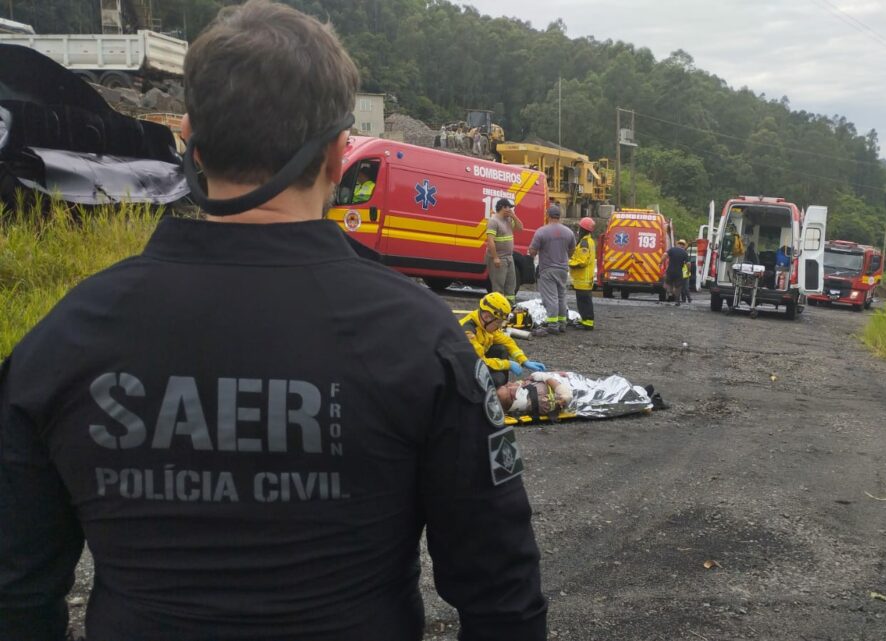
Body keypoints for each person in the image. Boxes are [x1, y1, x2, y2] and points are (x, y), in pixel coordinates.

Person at [0, 3, 548, 640]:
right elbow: (502, 595)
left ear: (188, 139)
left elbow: (14, 591)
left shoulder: (67, 335)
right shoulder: (420, 337)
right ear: (339, 154)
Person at [460, 292, 547, 387]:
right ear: (486, 317)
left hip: (474, 362)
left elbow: (506, 341)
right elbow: (479, 362)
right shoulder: (468, 332)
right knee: (497, 379)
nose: (499, 326)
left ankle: (502, 390)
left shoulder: (485, 324)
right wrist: (507, 364)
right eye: (498, 323)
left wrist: (523, 360)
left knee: (501, 349)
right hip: (462, 371)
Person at [528, 204, 576, 333]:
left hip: (547, 269)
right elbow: (572, 251)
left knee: (551, 297)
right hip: (563, 269)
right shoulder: (569, 232)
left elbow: (532, 251)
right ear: (559, 216)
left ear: (547, 215)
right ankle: (562, 323)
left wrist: (532, 253)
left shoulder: (542, 231)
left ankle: (553, 326)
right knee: (561, 296)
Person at [486, 197, 522, 304]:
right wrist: (495, 258)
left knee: (511, 286)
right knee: (498, 287)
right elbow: (490, 241)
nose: (511, 210)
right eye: (509, 208)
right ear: (502, 207)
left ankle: (509, 307)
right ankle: (497, 309)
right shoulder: (493, 221)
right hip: (499, 259)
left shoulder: (509, 220)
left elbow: (520, 228)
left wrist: (514, 216)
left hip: (509, 257)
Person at [496, 372, 573, 421]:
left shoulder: (523, 390)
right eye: (507, 387)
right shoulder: (541, 402)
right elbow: (566, 398)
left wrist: (554, 374)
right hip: (573, 385)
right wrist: (546, 377)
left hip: (563, 377)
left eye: (505, 385)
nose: (509, 383)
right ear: (515, 397)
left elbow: (529, 381)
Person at [567, 216, 597, 330]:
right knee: (583, 301)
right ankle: (585, 320)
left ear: (583, 229)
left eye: (580, 228)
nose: (578, 230)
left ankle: (588, 322)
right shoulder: (589, 241)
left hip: (583, 279)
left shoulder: (584, 243)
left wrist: (570, 262)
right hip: (583, 279)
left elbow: (582, 262)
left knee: (584, 302)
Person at [663, 238, 689, 306]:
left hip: (670, 271)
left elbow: (665, 255)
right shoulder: (685, 253)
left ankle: (669, 292)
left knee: (668, 283)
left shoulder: (672, 249)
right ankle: (677, 301)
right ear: (683, 246)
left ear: (678, 244)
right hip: (678, 272)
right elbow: (688, 264)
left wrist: (660, 262)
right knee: (678, 287)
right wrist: (688, 271)